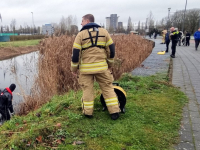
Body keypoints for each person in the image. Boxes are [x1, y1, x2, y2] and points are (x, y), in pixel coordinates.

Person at [71, 14, 120, 120]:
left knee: (87, 90)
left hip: (86, 70)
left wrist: (74, 69)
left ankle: (88, 113)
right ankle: (114, 112)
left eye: (82, 21)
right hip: (102, 68)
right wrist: (110, 64)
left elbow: (75, 54)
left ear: (87, 21)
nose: (81, 23)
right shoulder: (104, 32)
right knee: (107, 88)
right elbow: (111, 50)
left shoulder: (80, 35)